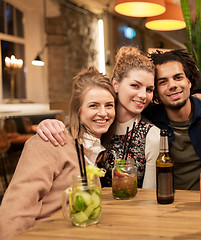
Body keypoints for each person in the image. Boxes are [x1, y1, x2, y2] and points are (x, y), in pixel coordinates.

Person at [0, 67, 116, 240]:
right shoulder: (49, 142)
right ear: (78, 110)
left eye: (109, 105)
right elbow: (15, 212)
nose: (103, 113)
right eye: (93, 105)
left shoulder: (96, 150)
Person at [36, 46, 160, 189]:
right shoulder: (97, 123)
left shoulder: (151, 136)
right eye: (135, 86)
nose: (143, 95)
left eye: (149, 89)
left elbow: (149, 197)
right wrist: (48, 124)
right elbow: (71, 129)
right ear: (116, 85)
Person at [144, 49, 201, 190]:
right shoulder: (148, 118)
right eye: (163, 82)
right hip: (167, 202)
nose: (172, 85)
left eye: (178, 78)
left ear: (189, 82)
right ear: (155, 91)